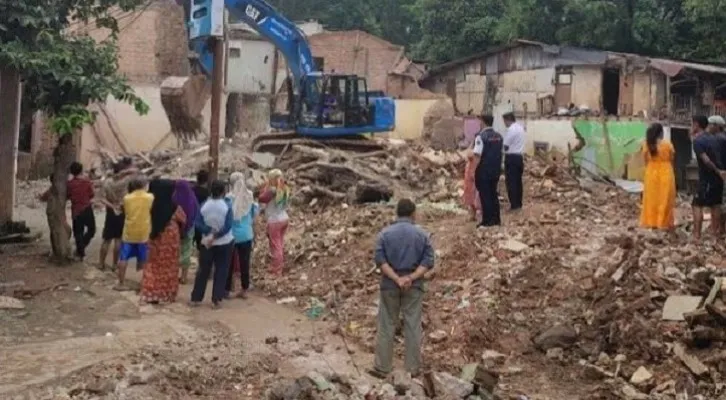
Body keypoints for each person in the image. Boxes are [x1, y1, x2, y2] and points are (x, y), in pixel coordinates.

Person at [369, 199, 435, 379]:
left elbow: (380, 261)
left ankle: (382, 367)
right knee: (412, 325)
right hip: (413, 286)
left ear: (397, 213)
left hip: (390, 285)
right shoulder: (422, 235)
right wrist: (410, 278)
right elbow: (428, 262)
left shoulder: (385, 234)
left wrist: (397, 278)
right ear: (413, 213)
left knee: (386, 324)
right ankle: (412, 369)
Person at [139, 179, 186, 304]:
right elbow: (183, 219)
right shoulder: (174, 206)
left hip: (153, 237)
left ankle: (151, 293)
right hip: (170, 240)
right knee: (169, 267)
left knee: (152, 265)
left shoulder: (149, 205)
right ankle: (166, 294)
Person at [192, 180, 234, 308]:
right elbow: (228, 226)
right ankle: (217, 299)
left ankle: (196, 298)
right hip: (224, 242)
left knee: (203, 270)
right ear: (223, 192)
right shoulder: (226, 206)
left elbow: (197, 223)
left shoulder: (205, 205)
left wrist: (209, 231)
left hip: (207, 242)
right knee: (221, 270)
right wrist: (216, 235)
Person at [691, 115, 726, 240]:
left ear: (696, 125)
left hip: (707, 179)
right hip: (718, 179)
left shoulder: (698, 141)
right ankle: (714, 235)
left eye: (692, 124)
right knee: (715, 205)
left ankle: (697, 235)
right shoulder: (715, 138)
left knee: (697, 205)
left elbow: (706, 160)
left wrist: (718, 171)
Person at [225, 172, 258, 299]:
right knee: (245, 263)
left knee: (229, 263)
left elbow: (226, 216)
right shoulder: (249, 196)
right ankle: (244, 289)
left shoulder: (229, 198)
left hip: (232, 235)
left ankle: (227, 290)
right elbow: (254, 214)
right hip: (246, 234)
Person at [99, 159, 137, 270]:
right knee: (118, 239)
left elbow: (101, 198)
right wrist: (124, 173)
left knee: (106, 239)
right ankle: (115, 264)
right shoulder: (126, 180)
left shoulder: (107, 182)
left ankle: (101, 263)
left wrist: (111, 206)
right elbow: (136, 171)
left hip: (110, 211)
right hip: (122, 209)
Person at [116, 178, 153, 291]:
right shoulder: (149, 197)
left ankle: (121, 283)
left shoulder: (127, 198)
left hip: (129, 232)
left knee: (123, 258)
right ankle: (142, 284)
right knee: (144, 258)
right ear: (143, 185)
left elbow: (124, 211)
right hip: (144, 232)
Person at [640, 123, 676, 230]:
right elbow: (671, 159)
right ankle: (663, 223)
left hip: (651, 172)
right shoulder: (668, 145)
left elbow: (645, 160)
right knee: (665, 199)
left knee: (651, 199)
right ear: (661, 133)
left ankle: (651, 222)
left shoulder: (646, 144)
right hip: (666, 172)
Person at [473, 114, 504, 227]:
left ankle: (487, 221)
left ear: (483, 122)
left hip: (484, 170)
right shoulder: (499, 136)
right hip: (495, 170)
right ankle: (496, 219)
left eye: (480, 121)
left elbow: (477, 156)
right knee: (493, 194)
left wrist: (473, 171)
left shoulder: (481, 137)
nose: (479, 123)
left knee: (485, 195)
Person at [259, 169, 290, 276]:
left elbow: (261, 198)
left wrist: (264, 187)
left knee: (275, 245)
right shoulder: (284, 187)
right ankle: (278, 265)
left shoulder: (272, 190)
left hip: (275, 220)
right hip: (284, 218)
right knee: (279, 243)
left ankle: (277, 270)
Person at [172, 180, 199, 284]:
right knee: (186, 251)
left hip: (175, 228)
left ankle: (174, 275)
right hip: (189, 228)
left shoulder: (173, 198)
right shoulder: (192, 198)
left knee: (175, 252)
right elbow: (196, 211)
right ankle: (184, 276)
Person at [67, 162, 96, 260]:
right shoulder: (86, 182)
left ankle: (81, 252)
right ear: (81, 170)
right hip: (87, 208)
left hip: (76, 210)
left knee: (78, 232)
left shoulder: (69, 184)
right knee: (92, 230)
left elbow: (67, 196)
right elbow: (92, 194)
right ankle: (81, 248)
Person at [502, 112, 525, 211]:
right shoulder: (520, 128)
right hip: (519, 157)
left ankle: (514, 205)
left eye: (504, 121)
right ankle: (519, 203)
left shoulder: (511, 129)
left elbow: (506, 146)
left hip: (511, 158)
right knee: (518, 182)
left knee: (511, 182)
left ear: (508, 120)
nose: (504, 124)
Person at [38, 175, 71, 239]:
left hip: (54, 213)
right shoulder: (59, 190)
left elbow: (42, 198)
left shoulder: (52, 190)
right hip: (56, 214)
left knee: (56, 231)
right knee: (61, 230)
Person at [192, 169, 211, 250]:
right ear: (206, 181)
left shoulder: (192, 190)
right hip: (202, 221)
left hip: (192, 219)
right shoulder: (207, 193)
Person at [462, 145, 481, 221]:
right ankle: (472, 215)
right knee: (469, 199)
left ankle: (478, 215)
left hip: (474, 180)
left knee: (476, 198)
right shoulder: (470, 161)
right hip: (468, 180)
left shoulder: (477, 159)